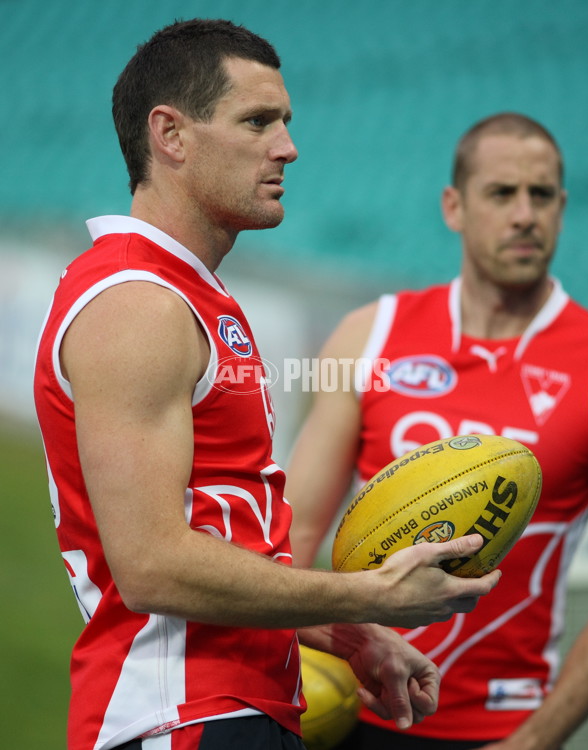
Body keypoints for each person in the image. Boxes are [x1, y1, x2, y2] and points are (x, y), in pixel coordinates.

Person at [32, 19, 501, 750]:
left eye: (285, 121)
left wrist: (348, 633)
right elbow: (152, 565)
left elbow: (219, 538)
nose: (288, 146)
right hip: (179, 718)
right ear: (171, 135)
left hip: (234, 708)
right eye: (257, 121)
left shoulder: (185, 294)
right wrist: (371, 595)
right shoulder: (138, 305)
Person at [287, 112, 588, 749]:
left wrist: (537, 741)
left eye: (541, 195)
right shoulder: (369, 335)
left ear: (563, 210)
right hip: (355, 710)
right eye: (501, 192)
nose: (524, 215)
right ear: (453, 207)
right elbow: (288, 535)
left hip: (502, 728)